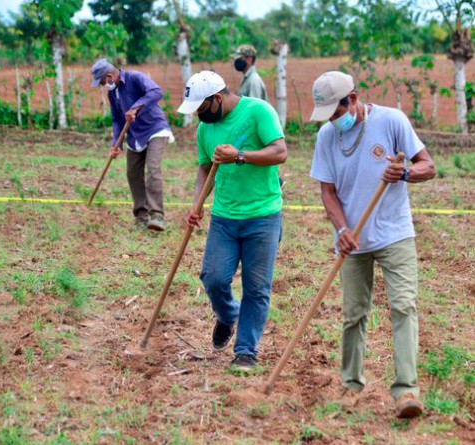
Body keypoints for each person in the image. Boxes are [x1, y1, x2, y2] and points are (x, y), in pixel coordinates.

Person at [308, 71, 436, 419]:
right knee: (353, 315)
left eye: (337, 113)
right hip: (352, 240)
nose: (334, 122)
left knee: (403, 307)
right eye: (328, 117)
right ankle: (350, 385)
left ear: (353, 99)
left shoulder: (391, 121)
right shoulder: (326, 137)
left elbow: (428, 165)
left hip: (395, 233)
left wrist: (406, 173)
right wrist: (342, 228)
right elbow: (327, 191)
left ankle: (406, 390)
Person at [177, 71, 287, 372]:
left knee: (256, 287)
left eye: (201, 108)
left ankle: (245, 351)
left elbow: (280, 152)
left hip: (263, 215)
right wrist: (197, 202)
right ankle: (228, 315)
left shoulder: (258, 112)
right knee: (212, 277)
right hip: (224, 217)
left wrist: (240, 155)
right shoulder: (205, 129)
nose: (199, 115)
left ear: (217, 99)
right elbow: (204, 168)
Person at [89, 59, 174, 231]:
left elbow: (156, 92)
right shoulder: (112, 94)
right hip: (135, 136)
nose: (104, 86)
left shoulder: (135, 77)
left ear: (110, 76)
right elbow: (117, 120)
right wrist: (116, 144)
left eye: (103, 82)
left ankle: (157, 216)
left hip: (155, 129)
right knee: (132, 173)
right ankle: (141, 218)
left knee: (153, 169)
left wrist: (135, 107)